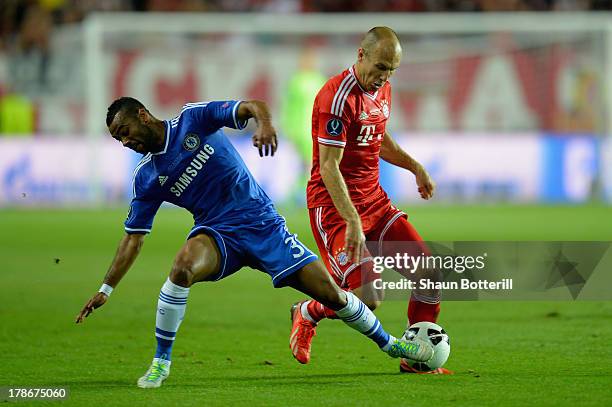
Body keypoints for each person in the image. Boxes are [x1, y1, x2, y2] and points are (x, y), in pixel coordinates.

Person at [75, 97, 434, 389]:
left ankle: (389, 345)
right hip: (218, 235)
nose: (125, 142)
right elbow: (133, 238)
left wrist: (264, 124)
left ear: (142, 114)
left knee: (334, 295)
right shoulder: (148, 177)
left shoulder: (192, 120)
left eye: (125, 131)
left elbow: (249, 106)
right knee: (182, 268)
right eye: (118, 140)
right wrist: (106, 288)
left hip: (264, 226)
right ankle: (160, 362)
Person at [289, 27, 449, 374]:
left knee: (429, 273)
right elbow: (329, 167)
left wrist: (415, 167)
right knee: (368, 299)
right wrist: (351, 220)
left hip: (375, 203)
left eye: (392, 70)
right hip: (333, 207)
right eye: (380, 67)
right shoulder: (335, 97)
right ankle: (308, 311)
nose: (385, 77)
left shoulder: (383, 88)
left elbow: (378, 136)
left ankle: (415, 360)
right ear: (361, 55)